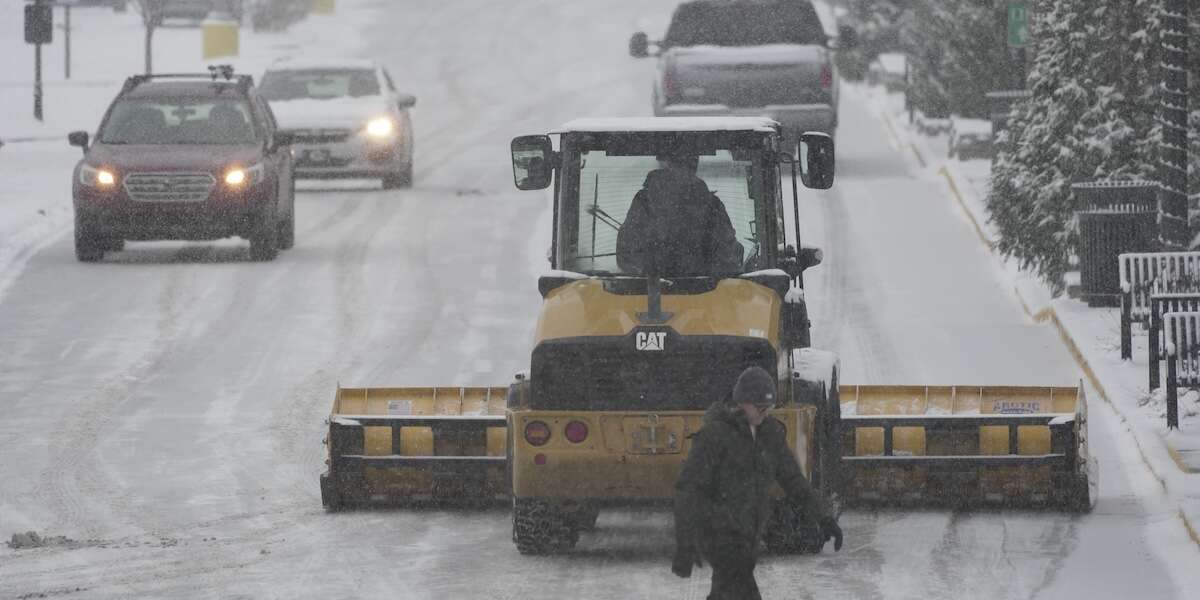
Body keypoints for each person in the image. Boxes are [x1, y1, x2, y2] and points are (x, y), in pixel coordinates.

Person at [672, 366, 843, 600]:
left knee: (725, 592)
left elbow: (793, 480)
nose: (765, 414)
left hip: (749, 533)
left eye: (769, 408)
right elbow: (689, 489)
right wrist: (685, 543)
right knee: (740, 586)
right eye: (760, 408)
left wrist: (823, 518)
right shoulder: (715, 436)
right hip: (717, 532)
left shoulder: (770, 434)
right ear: (742, 402)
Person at [615, 153, 743, 276]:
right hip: (705, 294)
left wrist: (652, 275)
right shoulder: (712, 205)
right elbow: (728, 258)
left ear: (666, 163)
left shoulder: (644, 201)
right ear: (694, 166)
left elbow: (627, 254)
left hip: (648, 294)